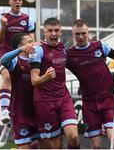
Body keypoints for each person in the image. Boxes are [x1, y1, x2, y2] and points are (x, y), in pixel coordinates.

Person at [66, 19, 114, 149]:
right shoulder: (69, 54)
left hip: (107, 100)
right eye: (77, 34)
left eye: (83, 33)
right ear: (72, 34)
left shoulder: (99, 46)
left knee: (112, 140)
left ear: (88, 33)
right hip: (89, 104)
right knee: (97, 145)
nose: (80, 37)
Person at [29, 17, 80, 149]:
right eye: (50, 30)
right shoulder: (38, 50)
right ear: (44, 32)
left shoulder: (63, 49)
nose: (53, 33)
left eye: (56, 30)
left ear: (61, 32)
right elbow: (34, 80)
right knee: (56, 145)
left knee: (74, 137)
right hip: (44, 101)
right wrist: (45, 77)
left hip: (63, 98)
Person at [0, 0, 35, 124]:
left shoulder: (27, 19)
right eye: (15, 0)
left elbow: (32, 40)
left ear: (22, 2)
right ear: (9, 2)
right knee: (7, 77)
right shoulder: (2, 17)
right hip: (6, 53)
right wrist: (3, 26)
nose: (17, 2)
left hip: (23, 56)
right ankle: (5, 110)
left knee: (23, 84)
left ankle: (17, 113)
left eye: (20, 0)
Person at [0, 33, 39, 149]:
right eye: (28, 41)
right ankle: (6, 115)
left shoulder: (37, 59)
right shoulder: (15, 61)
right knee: (25, 146)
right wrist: (20, 50)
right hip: (20, 112)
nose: (32, 42)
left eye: (32, 40)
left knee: (37, 146)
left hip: (37, 110)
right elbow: (3, 60)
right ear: (20, 45)